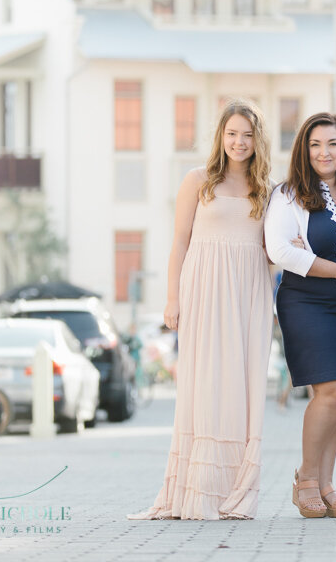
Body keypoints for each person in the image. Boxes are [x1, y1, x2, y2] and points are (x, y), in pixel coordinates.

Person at [128, 99, 274, 521]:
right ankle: (197, 490)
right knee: (205, 384)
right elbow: (179, 243)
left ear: (257, 140)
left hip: (249, 291)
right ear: (221, 137)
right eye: (232, 134)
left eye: (247, 135)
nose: (239, 142)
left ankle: (233, 490)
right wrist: (172, 299)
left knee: (243, 386)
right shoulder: (198, 180)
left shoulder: (268, 188)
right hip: (204, 290)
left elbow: (271, 248)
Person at [264, 112, 336, 519]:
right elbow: (281, 251)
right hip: (306, 300)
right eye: (315, 145)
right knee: (334, 391)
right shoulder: (289, 194)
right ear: (303, 150)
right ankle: (306, 479)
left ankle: (325, 484)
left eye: (332, 143)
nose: (323, 152)